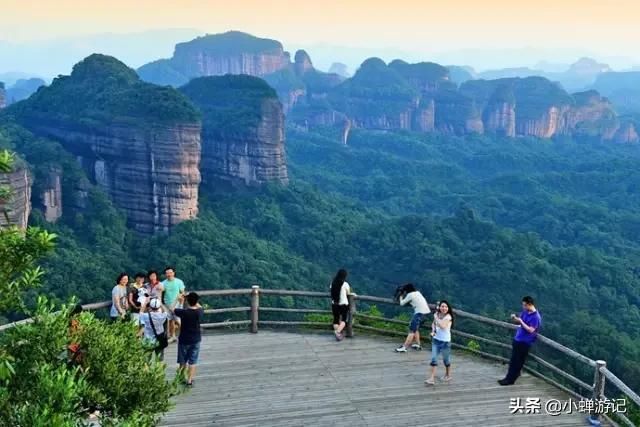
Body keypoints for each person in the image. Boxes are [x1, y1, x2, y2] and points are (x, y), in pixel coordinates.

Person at [499, 296, 542, 386]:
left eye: (524, 305)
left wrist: (521, 321)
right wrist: (515, 319)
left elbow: (531, 330)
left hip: (525, 342)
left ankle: (510, 380)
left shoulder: (535, 317)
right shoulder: (525, 312)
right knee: (513, 360)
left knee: (517, 361)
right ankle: (508, 377)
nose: (523, 307)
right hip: (518, 339)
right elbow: (520, 322)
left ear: (530, 304)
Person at [173, 292, 204, 387]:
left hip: (184, 339)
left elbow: (172, 309)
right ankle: (190, 380)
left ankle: (181, 378)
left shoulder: (184, 312)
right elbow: (199, 306)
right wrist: (191, 298)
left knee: (183, 360)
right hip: (196, 339)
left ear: (187, 301)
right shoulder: (199, 312)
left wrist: (178, 300)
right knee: (193, 361)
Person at [395, 283, 431, 352]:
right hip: (426, 313)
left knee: (411, 330)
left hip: (419, 313)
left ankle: (404, 347)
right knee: (415, 329)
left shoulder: (410, 295)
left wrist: (401, 296)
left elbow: (402, 303)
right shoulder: (418, 292)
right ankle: (418, 345)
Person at [425, 300, 453, 385]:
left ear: (448, 308)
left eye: (446, 306)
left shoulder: (448, 317)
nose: (444, 308)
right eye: (442, 306)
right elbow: (433, 324)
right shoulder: (437, 315)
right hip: (436, 340)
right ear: (439, 307)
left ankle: (448, 375)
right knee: (434, 359)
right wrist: (433, 331)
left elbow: (443, 326)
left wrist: (435, 317)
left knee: (446, 360)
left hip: (445, 342)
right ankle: (431, 378)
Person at [162, 266, 185, 343]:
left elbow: (182, 292)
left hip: (177, 305)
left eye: (170, 272)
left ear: (174, 273)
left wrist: (181, 302)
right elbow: (160, 293)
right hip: (167, 305)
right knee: (171, 321)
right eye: (167, 273)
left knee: (179, 321)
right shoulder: (163, 283)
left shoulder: (179, 282)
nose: (169, 274)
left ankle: (185, 335)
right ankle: (173, 336)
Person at [330, 269, 351, 341]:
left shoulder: (333, 283)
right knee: (344, 320)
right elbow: (348, 293)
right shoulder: (345, 284)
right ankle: (337, 332)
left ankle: (338, 334)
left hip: (334, 304)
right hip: (343, 304)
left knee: (336, 320)